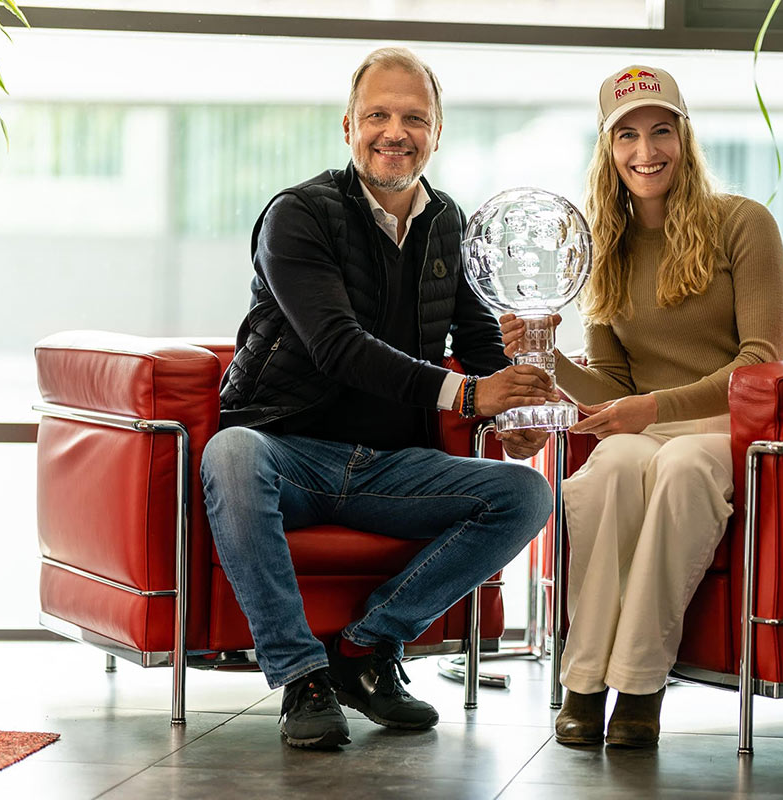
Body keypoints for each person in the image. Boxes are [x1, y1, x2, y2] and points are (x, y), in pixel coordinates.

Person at [201, 47, 556, 751]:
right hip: (285, 451)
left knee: (527, 495)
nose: (395, 132)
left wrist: (515, 415)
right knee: (231, 453)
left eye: (414, 118)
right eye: (378, 116)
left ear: (437, 131)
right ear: (348, 127)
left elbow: (481, 339)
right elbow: (337, 344)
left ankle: (365, 649)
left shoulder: (448, 222)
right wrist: (468, 394)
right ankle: (299, 675)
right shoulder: (298, 215)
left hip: (391, 468)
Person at [501, 64, 783, 748]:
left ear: (684, 138)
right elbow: (612, 385)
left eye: (661, 131)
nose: (645, 150)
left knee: (684, 463)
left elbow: (761, 362)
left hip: (729, 428)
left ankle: (639, 684)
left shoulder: (743, 224)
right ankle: (584, 680)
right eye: (626, 135)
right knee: (612, 468)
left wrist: (653, 407)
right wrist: (550, 353)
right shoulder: (603, 248)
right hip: (649, 427)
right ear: (608, 149)